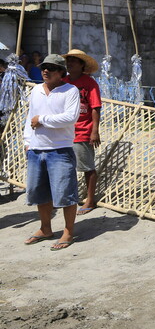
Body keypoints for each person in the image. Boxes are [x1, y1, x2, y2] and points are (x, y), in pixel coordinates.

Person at [22, 54, 80, 250]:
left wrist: (42, 120)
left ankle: (68, 232)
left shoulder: (70, 91)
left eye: (51, 68)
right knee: (40, 194)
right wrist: (27, 142)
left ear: (61, 73)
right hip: (36, 150)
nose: (45, 71)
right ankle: (45, 228)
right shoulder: (36, 90)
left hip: (60, 150)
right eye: (44, 67)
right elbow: (30, 118)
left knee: (66, 194)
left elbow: (70, 118)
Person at [63, 49, 102, 215]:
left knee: (87, 167)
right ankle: (70, 196)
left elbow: (95, 108)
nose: (70, 63)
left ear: (81, 65)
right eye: (69, 60)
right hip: (65, 131)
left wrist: (95, 131)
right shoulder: (63, 82)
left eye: (74, 60)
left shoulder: (89, 83)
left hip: (83, 130)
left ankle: (90, 199)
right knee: (65, 166)